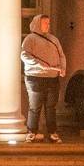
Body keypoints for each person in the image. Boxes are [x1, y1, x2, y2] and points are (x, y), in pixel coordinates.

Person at [20, 14, 66, 143]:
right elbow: (24, 55)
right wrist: (39, 63)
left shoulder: (53, 39)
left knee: (51, 107)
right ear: (37, 24)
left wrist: (62, 68)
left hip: (52, 77)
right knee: (35, 106)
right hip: (35, 78)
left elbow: (61, 55)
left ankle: (52, 132)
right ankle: (31, 132)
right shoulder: (30, 39)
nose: (48, 25)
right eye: (45, 23)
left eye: (49, 23)